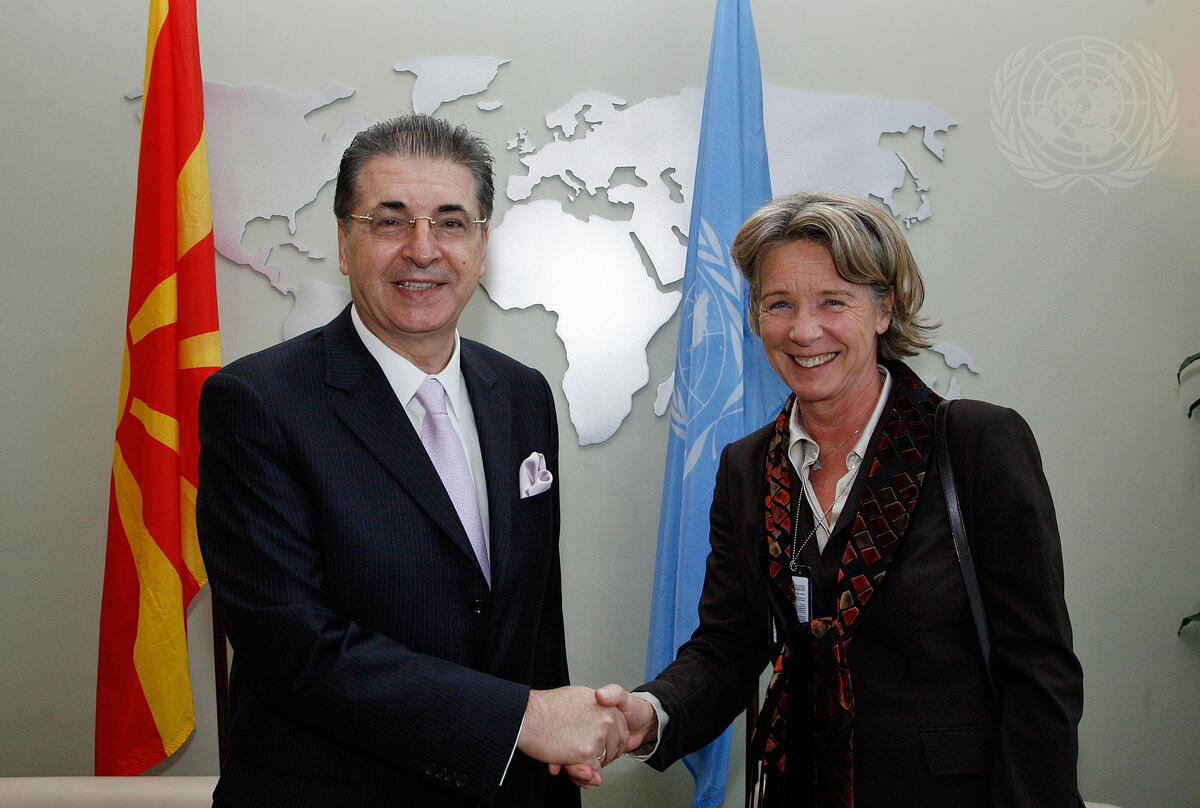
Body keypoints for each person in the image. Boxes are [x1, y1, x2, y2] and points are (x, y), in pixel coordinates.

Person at [591, 192, 1084, 806]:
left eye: (833, 301)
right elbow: (729, 645)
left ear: (884, 309)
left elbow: (1040, 674)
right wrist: (649, 713)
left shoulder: (977, 443)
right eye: (779, 304)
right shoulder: (748, 467)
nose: (803, 331)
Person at [196, 114, 625, 808]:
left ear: (481, 246)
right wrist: (521, 720)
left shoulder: (522, 394)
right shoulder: (257, 403)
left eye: (451, 223)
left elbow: (535, 627)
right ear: (345, 242)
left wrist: (553, 763)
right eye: (390, 221)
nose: (422, 251)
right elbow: (293, 648)